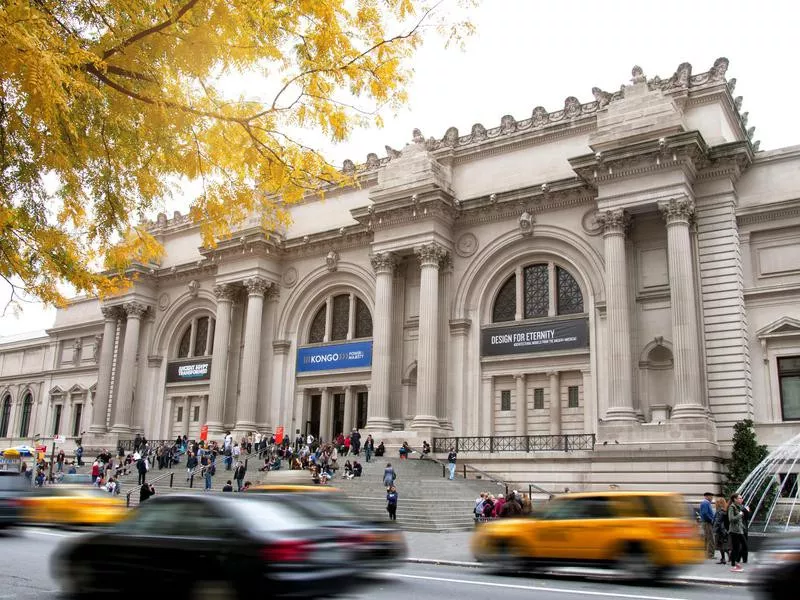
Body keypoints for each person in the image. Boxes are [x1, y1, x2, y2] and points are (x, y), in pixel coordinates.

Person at [728, 493, 748, 572]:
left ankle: (735, 563)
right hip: (734, 531)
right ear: (735, 499)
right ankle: (735, 564)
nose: (741, 499)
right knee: (737, 547)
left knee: (742, 546)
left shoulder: (740, 507)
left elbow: (742, 519)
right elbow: (731, 519)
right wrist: (740, 514)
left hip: (740, 530)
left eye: (741, 498)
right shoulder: (732, 507)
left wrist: (746, 512)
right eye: (739, 498)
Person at [713, 497, 730, 564]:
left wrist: (714, 530)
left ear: (719, 503)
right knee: (722, 544)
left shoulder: (719, 511)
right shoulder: (724, 511)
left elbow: (717, 522)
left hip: (720, 530)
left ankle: (726, 557)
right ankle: (724, 558)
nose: (715, 504)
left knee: (720, 545)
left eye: (716, 503)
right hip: (724, 530)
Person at [699, 491, 715, 559]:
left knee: (705, 539)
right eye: (711, 497)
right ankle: (710, 554)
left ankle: (705, 554)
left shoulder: (704, 503)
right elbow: (705, 513)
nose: (712, 498)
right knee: (710, 539)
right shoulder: (706, 503)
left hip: (705, 522)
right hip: (707, 523)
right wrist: (711, 520)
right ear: (707, 496)